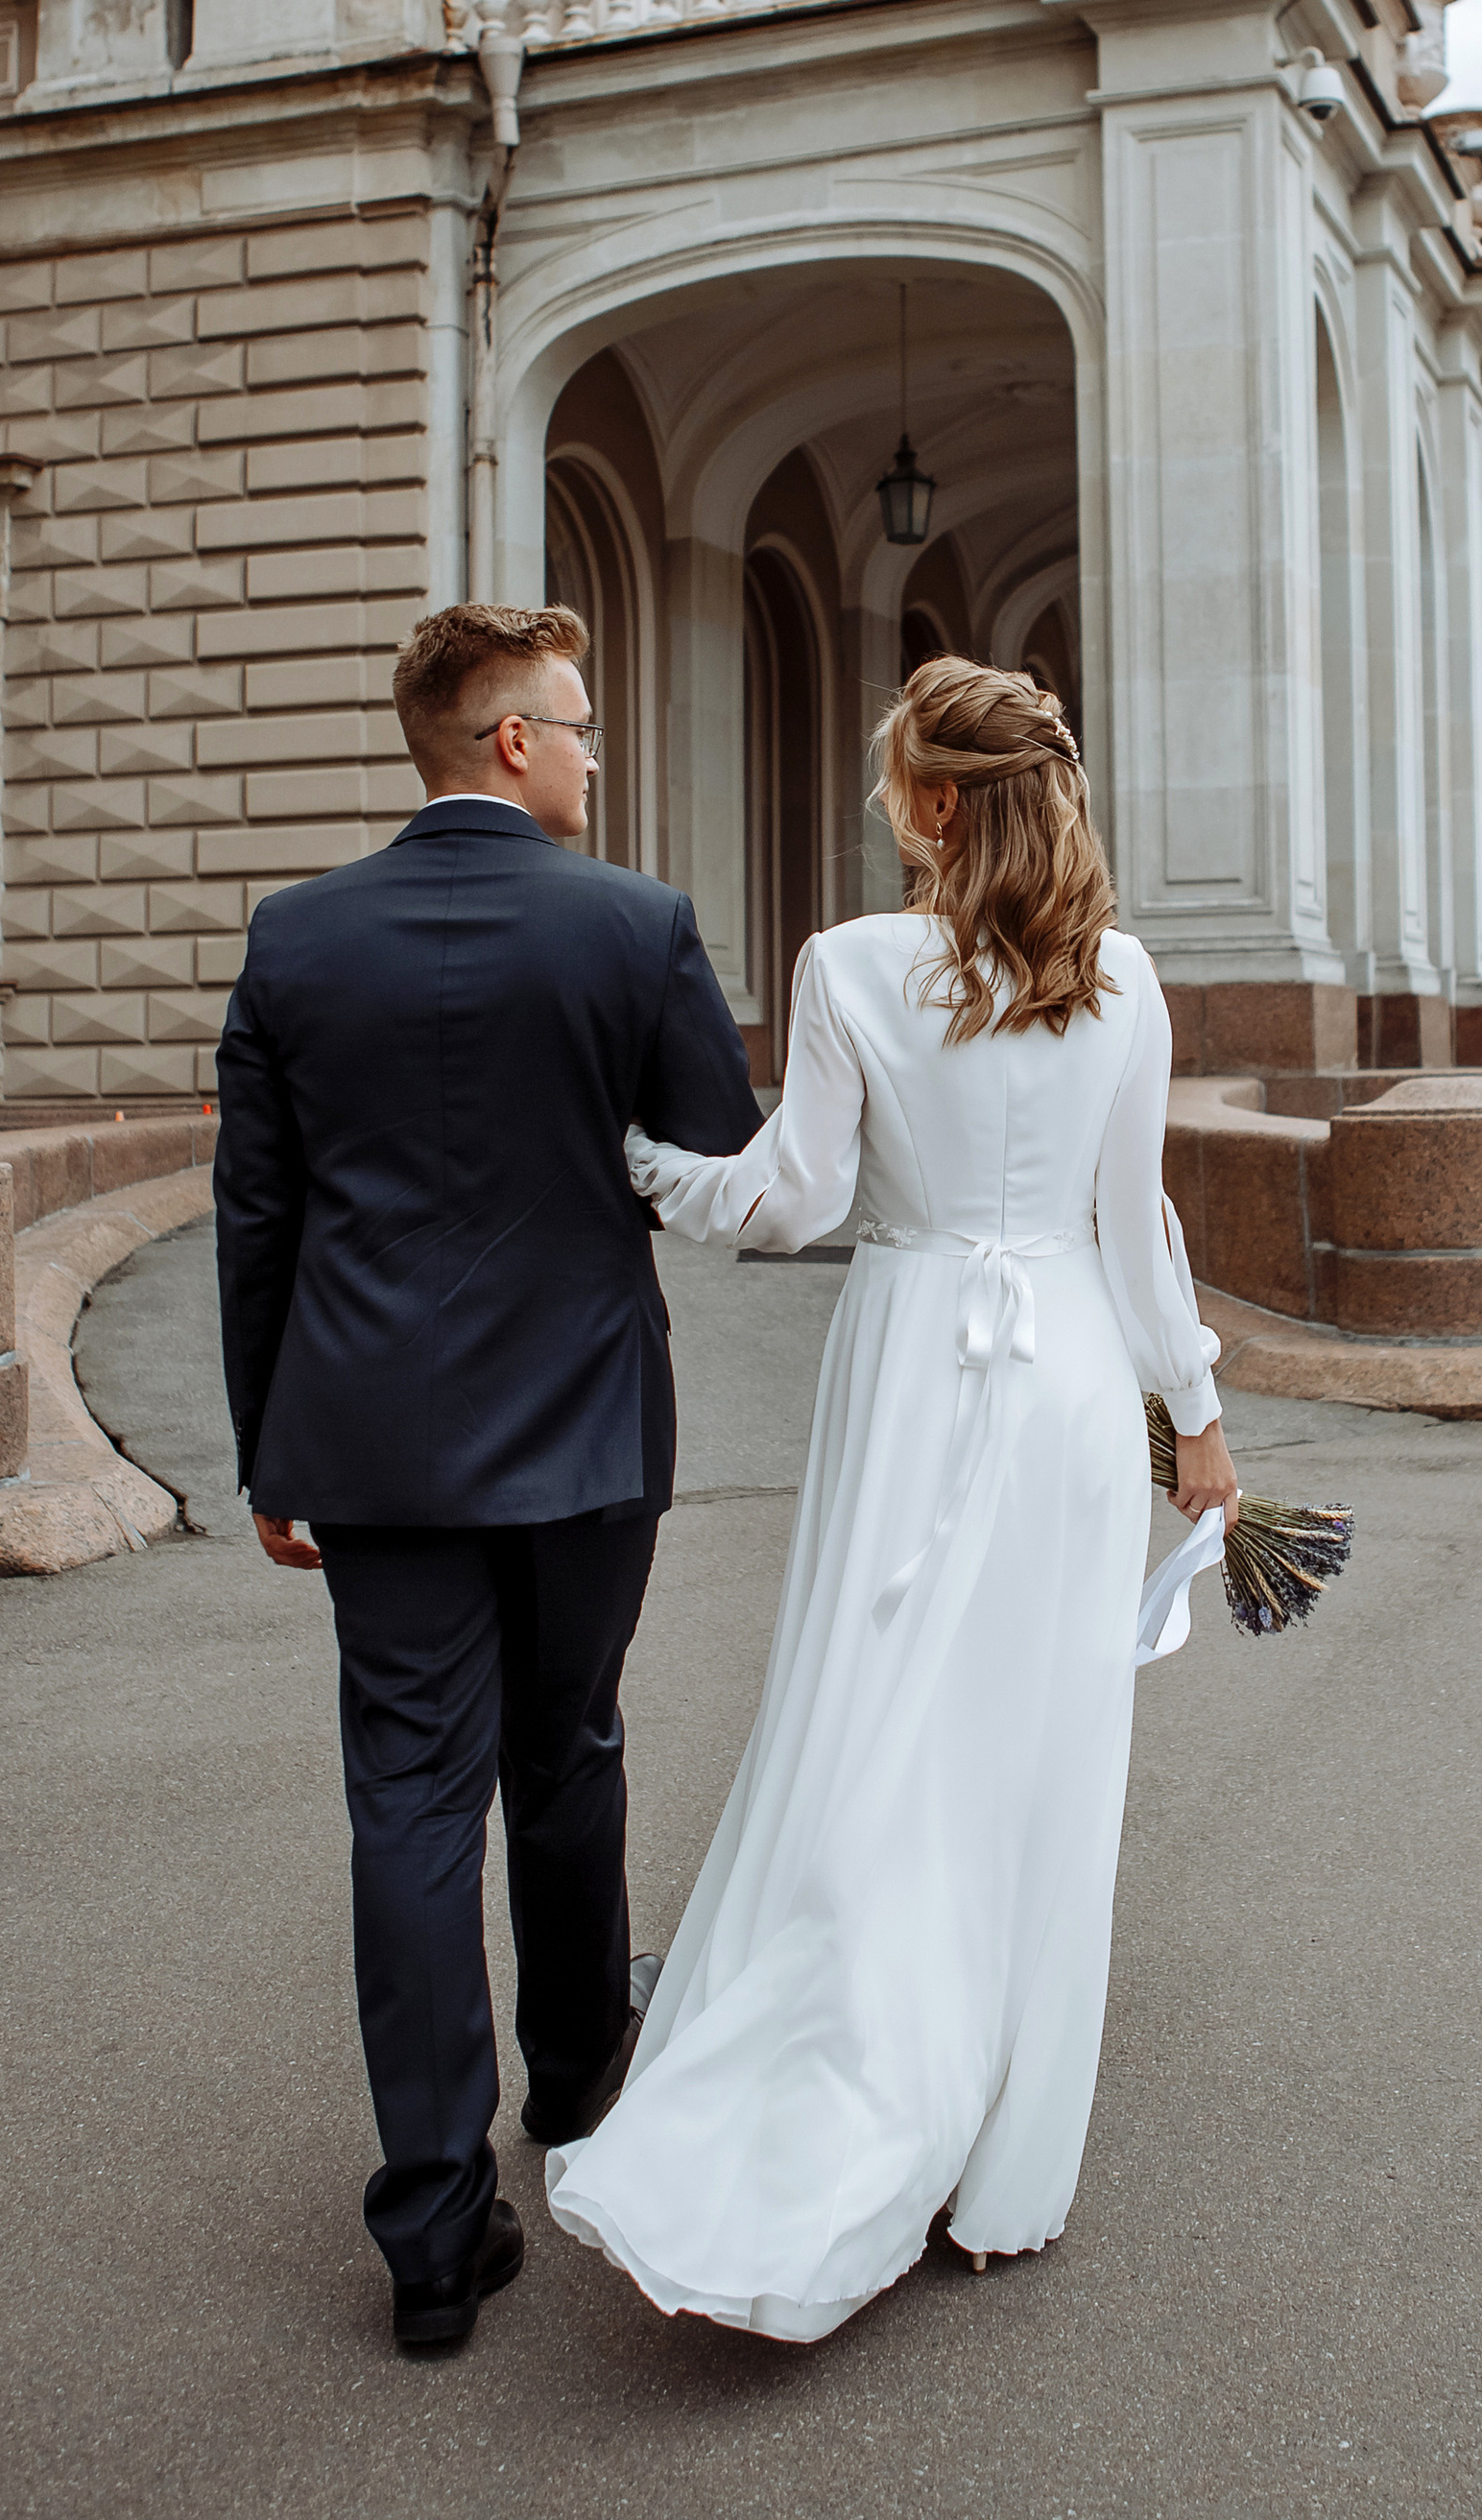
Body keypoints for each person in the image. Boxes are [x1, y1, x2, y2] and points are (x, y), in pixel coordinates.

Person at [546, 654, 1238, 2342]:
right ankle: (1004, 2171)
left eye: (891, 782)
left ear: (934, 800)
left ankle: (848, 2084)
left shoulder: (853, 964)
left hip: (918, 1358)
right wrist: (1197, 1413)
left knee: (874, 1718)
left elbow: (794, 1203)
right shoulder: (1122, 978)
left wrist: (646, 1169)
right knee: (1040, 1753)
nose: (882, 808)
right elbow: (1136, 1225)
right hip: (1071, 1370)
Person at [213, 602, 761, 2352]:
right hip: (590, 1429)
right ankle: (585, 2091)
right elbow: (722, 1148)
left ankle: (435, 2233)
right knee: (570, 1743)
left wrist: (267, 1449)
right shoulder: (636, 926)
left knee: (410, 1798)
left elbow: (258, 1225)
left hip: (369, 1443)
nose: (598, 750)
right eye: (582, 724)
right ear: (511, 740)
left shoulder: (296, 939)